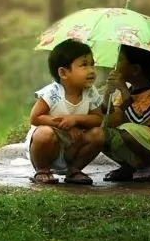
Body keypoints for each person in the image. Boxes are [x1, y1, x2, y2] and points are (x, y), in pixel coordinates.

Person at [25, 39, 105, 185]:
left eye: (92, 64)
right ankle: (42, 170)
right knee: (44, 133)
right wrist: (67, 126)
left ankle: (74, 170)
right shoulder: (52, 93)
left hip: (74, 145)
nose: (92, 70)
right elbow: (35, 118)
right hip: (49, 146)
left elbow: (98, 119)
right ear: (63, 72)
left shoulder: (90, 92)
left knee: (99, 134)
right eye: (84, 65)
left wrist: (75, 119)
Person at [97, 44, 150, 182]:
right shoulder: (128, 92)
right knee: (100, 133)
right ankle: (129, 166)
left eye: (120, 59)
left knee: (127, 130)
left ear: (135, 69)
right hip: (134, 136)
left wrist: (123, 89)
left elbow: (137, 120)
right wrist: (108, 93)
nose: (115, 64)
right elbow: (110, 119)